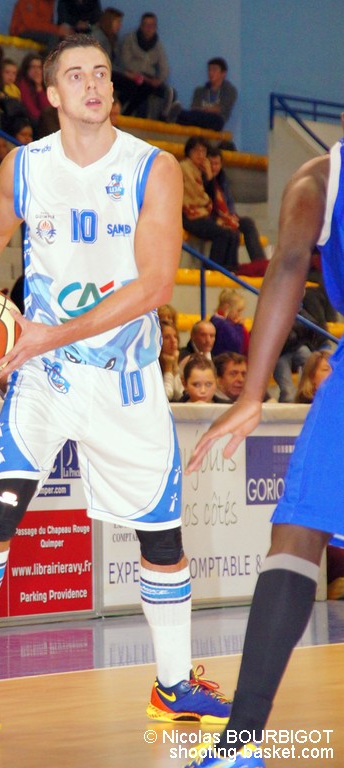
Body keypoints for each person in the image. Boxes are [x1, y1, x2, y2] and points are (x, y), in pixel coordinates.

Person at [0, 34, 230, 739]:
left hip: (126, 380)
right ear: (52, 93)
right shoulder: (25, 166)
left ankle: (173, 684)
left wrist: (50, 333)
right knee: (0, 512)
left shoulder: (153, 169)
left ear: (113, 89)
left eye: (101, 73)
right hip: (46, 377)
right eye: (75, 75)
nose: (92, 84)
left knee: (162, 539)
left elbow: (156, 285)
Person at [183, 140, 344, 768]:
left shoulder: (320, 178)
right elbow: (288, 265)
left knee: (297, 537)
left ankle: (241, 741)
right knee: (296, 533)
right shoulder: (320, 178)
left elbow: (289, 265)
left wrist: (253, 393)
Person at [180, 137, 239, 272]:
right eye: (197, 151)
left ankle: (230, 271)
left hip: (203, 212)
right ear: (189, 152)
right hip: (188, 214)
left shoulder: (201, 170)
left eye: (203, 151)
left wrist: (209, 175)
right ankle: (211, 271)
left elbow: (210, 195)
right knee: (222, 234)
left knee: (233, 234)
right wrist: (206, 202)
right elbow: (195, 196)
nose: (201, 155)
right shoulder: (184, 168)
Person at [207, 147, 267, 264]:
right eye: (211, 163)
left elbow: (229, 202)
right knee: (231, 231)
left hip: (225, 216)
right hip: (213, 217)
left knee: (247, 223)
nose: (214, 167)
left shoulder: (222, 179)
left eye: (217, 164)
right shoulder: (204, 179)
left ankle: (259, 262)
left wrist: (232, 215)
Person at [117, 12, 174, 120]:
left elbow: (164, 67)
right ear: (141, 26)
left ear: (155, 28)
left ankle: (163, 117)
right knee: (140, 87)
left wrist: (159, 80)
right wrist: (140, 75)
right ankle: (125, 114)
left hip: (149, 79)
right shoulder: (129, 39)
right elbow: (125, 61)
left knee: (168, 92)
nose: (149, 28)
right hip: (130, 75)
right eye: (146, 25)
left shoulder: (158, 46)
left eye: (152, 25)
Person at [176, 57, 238, 132]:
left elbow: (221, 109)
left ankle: (177, 115)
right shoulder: (199, 91)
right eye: (209, 70)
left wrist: (205, 109)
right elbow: (194, 108)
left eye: (214, 70)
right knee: (186, 116)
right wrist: (209, 109)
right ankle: (174, 114)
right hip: (198, 117)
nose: (210, 73)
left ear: (223, 73)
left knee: (212, 119)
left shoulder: (229, 90)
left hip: (216, 120)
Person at [16, 54, 50, 135]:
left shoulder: (43, 85)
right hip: (28, 120)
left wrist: (39, 87)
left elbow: (47, 109)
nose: (36, 71)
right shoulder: (22, 83)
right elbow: (31, 110)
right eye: (33, 67)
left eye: (39, 67)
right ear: (26, 69)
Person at [210, 288, 249, 357]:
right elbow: (236, 344)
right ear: (226, 308)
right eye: (238, 311)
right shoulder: (221, 325)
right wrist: (238, 326)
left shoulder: (224, 322)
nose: (239, 315)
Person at [159, 321, 183, 402]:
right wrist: (168, 368)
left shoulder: (178, 359)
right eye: (167, 337)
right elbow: (166, 396)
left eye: (175, 336)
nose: (173, 341)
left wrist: (175, 366)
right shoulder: (150, 365)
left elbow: (179, 394)